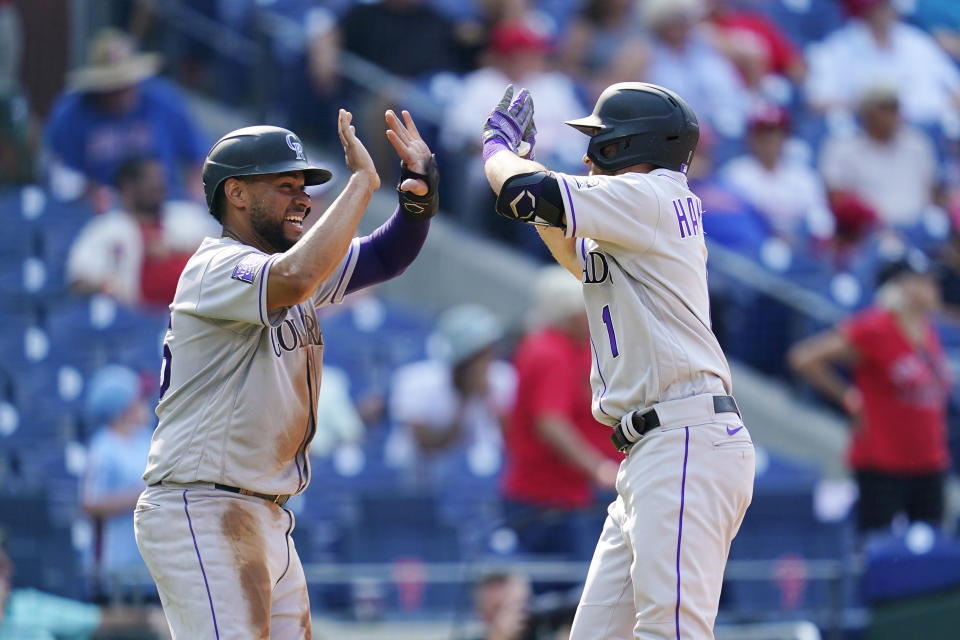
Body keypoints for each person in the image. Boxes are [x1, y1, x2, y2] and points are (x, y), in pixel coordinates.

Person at [133, 108, 439, 638]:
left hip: (265, 513)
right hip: (204, 506)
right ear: (236, 194)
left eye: (304, 184)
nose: (302, 196)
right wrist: (363, 184)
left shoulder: (291, 268)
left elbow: (386, 257)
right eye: (284, 184)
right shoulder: (217, 265)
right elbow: (295, 276)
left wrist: (417, 198)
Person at [481, 82, 756, 639]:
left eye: (599, 141)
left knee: (669, 631)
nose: (589, 155)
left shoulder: (651, 194)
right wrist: (529, 175)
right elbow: (569, 245)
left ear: (629, 145)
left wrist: (496, 148)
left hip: (681, 437)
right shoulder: (641, 212)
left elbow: (526, 194)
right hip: (658, 446)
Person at [788, 249, 951, 535]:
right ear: (902, 285)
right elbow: (805, 358)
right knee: (880, 553)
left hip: (928, 460)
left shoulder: (926, 330)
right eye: (924, 280)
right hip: (883, 461)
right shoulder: (874, 328)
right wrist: (849, 398)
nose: (933, 287)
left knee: (930, 558)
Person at [501, 266, 620, 561]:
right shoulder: (550, 353)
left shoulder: (573, 347)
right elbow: (551, 423)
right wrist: (599, 469)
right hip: (547, 500)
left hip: (566, 496)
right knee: (569, 595)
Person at [44, 28, 208, 203]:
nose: (120, 92)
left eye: (126, 83)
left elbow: (199, 157)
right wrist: (85, 191)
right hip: (100, 210)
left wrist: (196, 197)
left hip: (163, 205)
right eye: (112, 85)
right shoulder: (72, 113)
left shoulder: (163, 100)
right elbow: (58, 174)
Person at [387, 304, 516, 485]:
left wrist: (488, 396)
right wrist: (464, 399)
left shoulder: (504, 377)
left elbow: (514, 440)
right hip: (423, 482)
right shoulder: (414, 380)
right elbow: (427, 446)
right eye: (479, 353)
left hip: (490, 480)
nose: (487, 359)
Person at [66, 155, 218, 307]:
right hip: (139, 318)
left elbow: (227, 247)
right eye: (150, 179)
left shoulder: (185, 214)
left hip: (202, 305)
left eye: (160, 178)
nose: (159, 184)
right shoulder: (105, 228)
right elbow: (78, 280)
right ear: (128, 187)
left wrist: (173, 246)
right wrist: (107, 285)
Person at [0, 535, 168, 639]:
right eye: (1, 566)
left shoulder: (26, 605)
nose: (9, 570)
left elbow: (96, 619)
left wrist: (151, 617)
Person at [819, 84, 940, 230]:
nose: (891, 115)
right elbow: (836, 197)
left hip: (917, 228)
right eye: (884, 109)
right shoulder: (842, 148)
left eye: (894, 109)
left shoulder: (917, 143)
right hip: (867, 232)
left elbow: (933, 191)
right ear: (867, 113)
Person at [81, 364, 155, 601]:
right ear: (124, 407)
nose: (145, 404)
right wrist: (144, 496)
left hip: (151, 559)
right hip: (117, 564)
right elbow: (90, 502)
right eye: (139, 399)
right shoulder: (103, 446)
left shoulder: (148, 438)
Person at [719, 103, 834, 243]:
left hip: (798, 246)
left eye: (775, 133)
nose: (770, 140)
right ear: (751, 137)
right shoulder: (735, 173)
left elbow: (821, 221)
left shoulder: (803, 176)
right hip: (752, 246)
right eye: (763, 133)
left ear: (786, 138)